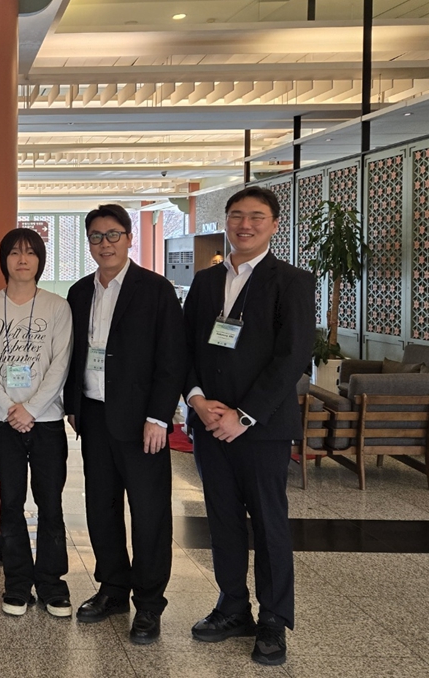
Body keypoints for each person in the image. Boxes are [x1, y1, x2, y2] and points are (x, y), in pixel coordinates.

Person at [183, 186, 315, 666]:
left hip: (261, 429)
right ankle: (232, 607)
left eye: (256, 216)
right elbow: (184, 347)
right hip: (209, 425)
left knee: (269, 523)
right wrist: (198, 400)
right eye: (237, 215)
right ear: (226, 221)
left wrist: (243, 415)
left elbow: (292, 356)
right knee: (222, 520)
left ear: (274, 224)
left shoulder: (291, 281)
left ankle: (273, 620)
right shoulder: (205, 282)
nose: (245, 225)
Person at [63, 204, 186, 644]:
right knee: (101, 507)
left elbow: (172, 359)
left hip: (141, 422)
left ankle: (149, 604)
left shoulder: (155, 290)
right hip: (94, 416)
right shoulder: (80, 292)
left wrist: (158, 417)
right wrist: (73, 405)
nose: (105, 244)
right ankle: (113, 588)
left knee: (150, 513)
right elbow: (75, 354)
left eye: (113, 234)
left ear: (129, 238)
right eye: (96, 236)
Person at [0, 228, 73, 618]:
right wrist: (10, 408)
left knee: (51, 504)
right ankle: (16, 585)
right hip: (3, 423)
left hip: (46, 423)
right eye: (15, 252)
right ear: (5, 259)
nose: (23, 259)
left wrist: (30, 408)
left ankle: (52, 585)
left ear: (40, 260)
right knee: (11, 504)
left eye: (31, 253)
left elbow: (60, 364)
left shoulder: (57, 307)